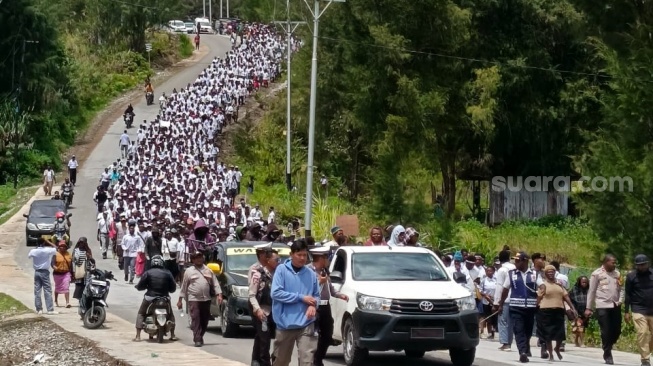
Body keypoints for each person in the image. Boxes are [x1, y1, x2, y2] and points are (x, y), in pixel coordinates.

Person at [270, 239, 320, 366]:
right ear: (291, 254)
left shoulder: (311, 274)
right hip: (285, 325)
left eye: (305, 255)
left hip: (306, 324)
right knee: (281, 361)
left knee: (307, 361)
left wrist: (313, 305)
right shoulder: (281, 270)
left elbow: (316, 295)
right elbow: (275, 293)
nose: (302, 258)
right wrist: (301, 298)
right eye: (299, 255)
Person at [309, 246, 348, 366]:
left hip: (325, 307)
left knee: (327, 334)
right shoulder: (308, 272)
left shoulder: (324, 271)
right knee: (312, 335)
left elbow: (330, 289)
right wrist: (319, 283)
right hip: (313, 306)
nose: (328, 260)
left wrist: (339, 295)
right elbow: (306, 290)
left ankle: (318, 358)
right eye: (326, 257)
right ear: (321, 258)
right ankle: (312, 360)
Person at [496, 252, 538, 363]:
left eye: (518, 260)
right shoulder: (511, 274)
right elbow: (505, 289)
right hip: (515, 307)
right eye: (515, 260)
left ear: (525, 261)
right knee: (519, 330)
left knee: (528, 331)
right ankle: (522, 353)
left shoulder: (534, 274)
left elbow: (542, 286)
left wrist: (540, 296)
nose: (515, 262)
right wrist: (500, 304)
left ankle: (526, 345)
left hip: (530, 308)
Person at [177, 251, 223, 347]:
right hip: (193, 298)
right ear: (193, 260)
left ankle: (200, 335)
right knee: (196, 318)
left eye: (200, 257)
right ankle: (197, 338)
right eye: (196, 258)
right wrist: (180, 299)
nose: (199, 259)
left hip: (206, 299)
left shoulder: (208, 270)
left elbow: (215, 283)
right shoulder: (188, 271)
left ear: (203, 258)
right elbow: (184, 286)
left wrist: (219, 294)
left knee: (205, 319)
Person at [585, 254, 624, 365]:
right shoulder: (596, 274)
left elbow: (622, 288)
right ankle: (607, 354)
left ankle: (608, 345)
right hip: (602, 305)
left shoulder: (617, 274)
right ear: (606, 262)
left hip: (615, 305)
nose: (614, 264)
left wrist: (620, 300)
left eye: (615, 262)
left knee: (616, 330)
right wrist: (588, 307)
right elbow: (591, 291)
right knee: (606, 330)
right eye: (612, 262)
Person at [536, 265, 576, 361]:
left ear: (555, 273)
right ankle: (551, 354)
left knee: (560, 334)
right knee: (548, 334)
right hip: (546, 311)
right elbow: (539, 298)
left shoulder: (559, 285)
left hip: (559, 310)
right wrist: (536, 306)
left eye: (552, 272)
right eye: (548, 272)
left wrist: (572, 307)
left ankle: (557, 348)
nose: (551, 273)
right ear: (545, 274)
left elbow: (566, 297)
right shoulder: (543, 285)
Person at [133, 255, 178, 342]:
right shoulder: (168, 273)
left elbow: (140, 286)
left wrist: (138, 287)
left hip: (150, 298)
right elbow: (173, 288)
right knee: (170, 315)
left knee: (141, 314)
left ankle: (138, 336)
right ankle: (172, 335)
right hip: (165, 298)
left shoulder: (148, 272)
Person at [249, 247, 281, 366]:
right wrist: (257, 310)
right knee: (264, 340)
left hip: (278, 312)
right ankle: (263, 362)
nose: (279, 261)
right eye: (276, 259)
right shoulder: (258, 275)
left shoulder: (280, 275)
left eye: (279, 259)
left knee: (280, 340)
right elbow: (252, 295)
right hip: (264, 311)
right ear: (268, 260)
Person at [624, 254, 653, 366]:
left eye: (644, 264)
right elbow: (628, 294)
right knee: (643, 332)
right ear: (636, 266)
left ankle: (647, 352)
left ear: (648, 263)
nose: (642, 267)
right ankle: (645, 359)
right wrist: (626, 311)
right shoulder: (631, 277)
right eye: (639, 265)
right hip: (638, 309)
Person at [493, 249, 515, 351]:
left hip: (505, 299)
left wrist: (497, 303)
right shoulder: (514, 267)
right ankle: (509, 342)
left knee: (503, 321)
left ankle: (505, 343)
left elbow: (499, 287)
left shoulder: (502, 270)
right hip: (514, 299)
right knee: (510, 323)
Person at [29, 237, 57, 315]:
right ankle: (50, 309)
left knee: (37, 291)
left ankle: (39, 309)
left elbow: (29, 256)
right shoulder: (47, 250)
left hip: (37, 272)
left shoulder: (33, 251)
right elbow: (55, 248)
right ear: (44, 243)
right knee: (47, 290)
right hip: (44, 272)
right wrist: (48, 241)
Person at [570, 276, 590, 347]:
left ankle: (576, 341)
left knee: (582, 326)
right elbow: (570, 300)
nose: (584, 283)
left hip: (586, 311)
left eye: (586, 282)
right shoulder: (574, 290)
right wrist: (573, 310)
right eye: (583, 282)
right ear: (579, 282)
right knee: (580, 326)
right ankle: (582, 342)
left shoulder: (589, 290)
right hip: (576, 310)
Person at [51, 241, 73, 308]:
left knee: (66, 287)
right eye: (61, 246)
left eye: (64, 246)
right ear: (59, 247)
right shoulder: (55, 254)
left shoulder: (68, 254)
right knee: (57, 287)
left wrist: (72, 273)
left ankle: (67, 302)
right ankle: (55, 301)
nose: (62, 247)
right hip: (57, 273)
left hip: (66, 273)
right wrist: (55, 267)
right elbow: (52, 263)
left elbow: (71, 264)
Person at [72, 237, 93, 304]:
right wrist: (73, 271)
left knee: (86, 286)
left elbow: (91, 261)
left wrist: (89, 257)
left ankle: (85, 300)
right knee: (79, 286)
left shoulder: (88, 251)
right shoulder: (76, 250)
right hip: (78, 270)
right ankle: (80, 300)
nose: (81, 244)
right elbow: (73, 261)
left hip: (86, 271)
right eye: (80, 242)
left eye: (83, 243)